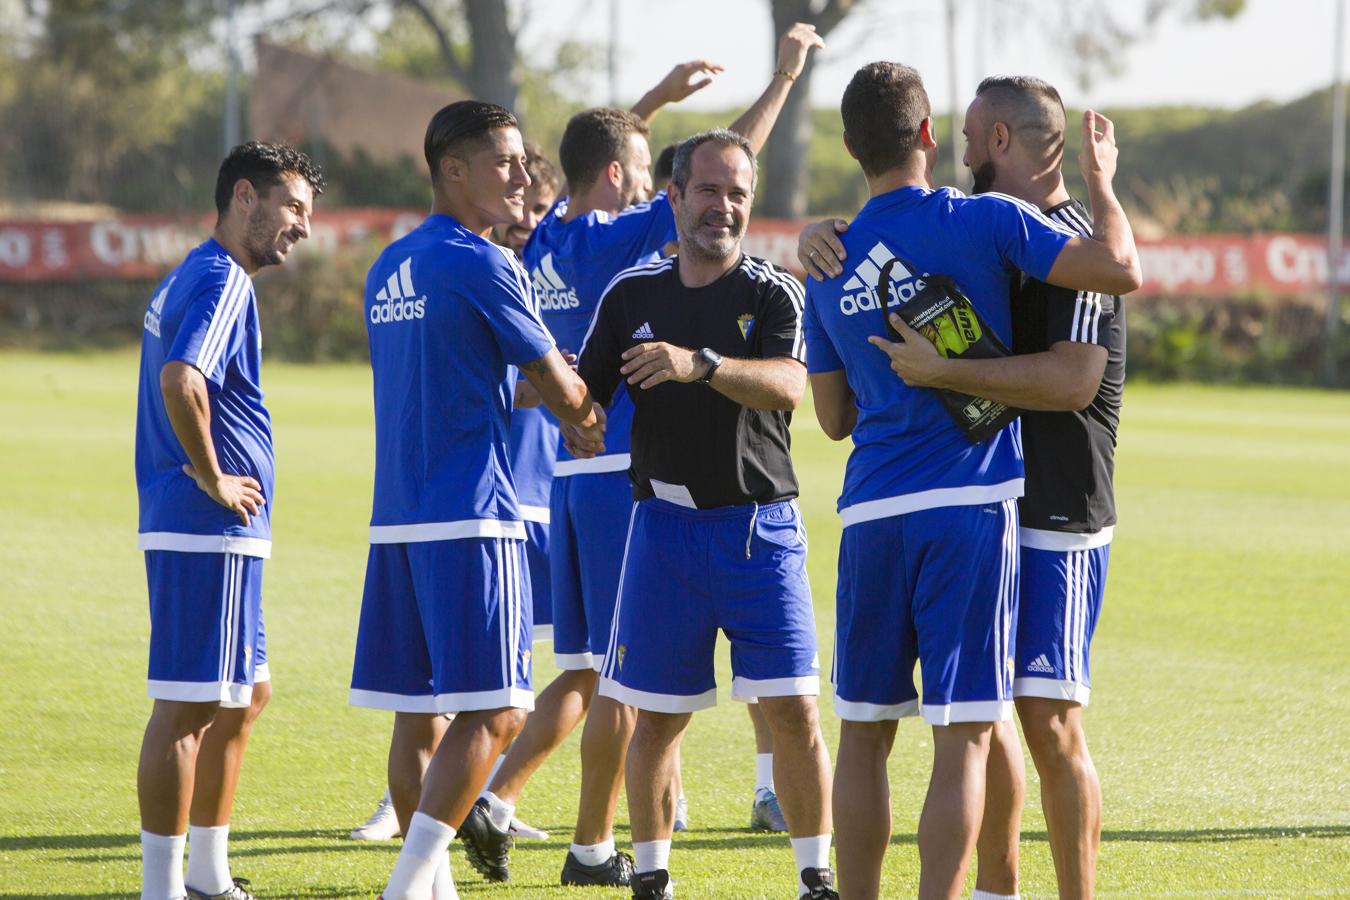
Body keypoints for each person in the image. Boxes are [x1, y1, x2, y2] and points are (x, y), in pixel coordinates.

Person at [462, 23, 824, 888]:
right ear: (644, 184)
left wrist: (653, 101)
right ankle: (543, 816)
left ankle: (576, 833)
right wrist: (782, 76)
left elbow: (630, 156)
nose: (714, 203)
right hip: (635, 485)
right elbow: (733, 156)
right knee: (628, 691)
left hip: (565, 475)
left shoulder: (543, 232)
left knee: (598, 674)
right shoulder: (626, 249)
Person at [797, 62, 1139, 900]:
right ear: (921, 135)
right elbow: (1121, 267)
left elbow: (834, 419)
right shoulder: (984, 221)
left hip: (963, 506)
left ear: (849, 146)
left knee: (915, 730)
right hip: (972, 507)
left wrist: (1100, 188)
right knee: (972, 731)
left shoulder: (833, 261)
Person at [348, 99, 604, 900]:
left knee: (415, 709)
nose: (522, 175)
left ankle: (434, 891)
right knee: (494, 711)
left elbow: (463, 380)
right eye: (505, 161)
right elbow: (561, 389)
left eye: (524, 161)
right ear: (451, 169)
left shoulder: (388, 264)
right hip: (474, 511)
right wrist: (587, 415)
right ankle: (410, 881)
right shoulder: (484, 262)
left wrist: (538, 391)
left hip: (398, 519)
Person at [579, 129, 837, 900]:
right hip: (661, 533)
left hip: (760, 533)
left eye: (737, 193)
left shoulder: (772, 291)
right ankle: (652, 878)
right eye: (708, 190)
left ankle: (814, 877)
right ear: (673, 197)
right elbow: (583, 395)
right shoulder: (632, 295)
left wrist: (704, 365)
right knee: (655, 719)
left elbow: (793, 386)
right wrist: (518, 383)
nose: (722, 207)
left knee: (793, 710)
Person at [134, 141, 322, 900]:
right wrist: (214, 477)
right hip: (203, 524)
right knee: (188, 704)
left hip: (219, 530)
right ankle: (161, 888)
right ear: (245, 196)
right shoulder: (222, 281)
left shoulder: (196, 271)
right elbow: (184, 378)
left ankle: (209, 875)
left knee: (247, 692)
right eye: (295, 209)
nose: (303, 229)